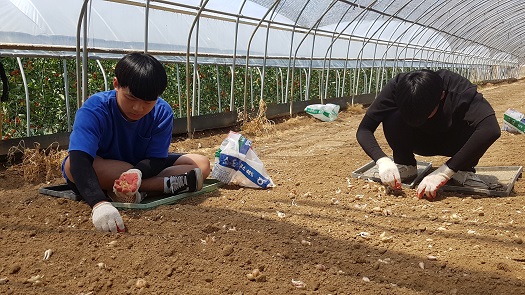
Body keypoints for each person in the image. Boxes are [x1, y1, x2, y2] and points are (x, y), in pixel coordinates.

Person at [62, 52, 211, 233]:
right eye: (131, 98)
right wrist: (98, 203)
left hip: (141, 166)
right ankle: (161, 186)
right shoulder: (94, 109)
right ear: (116, 84)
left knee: (202, 164)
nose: (138, 108)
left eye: (148, 102)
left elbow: (156, 159)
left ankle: (132, 190)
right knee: (71, 166)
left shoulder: (162, 112)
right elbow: (79, 158)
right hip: (106, 167)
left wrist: (137, 172)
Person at [356, 69, 501, 200]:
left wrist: (444, 173)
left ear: (442, 96)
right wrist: (382, 161)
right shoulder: (398, 87)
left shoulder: (458, 90)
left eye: (425, 115)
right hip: (418, 142)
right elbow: (364, 130)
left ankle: (462, 170)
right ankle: (406, 164)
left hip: (453, 142)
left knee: (473, 122)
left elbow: (491, 129)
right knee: (391, 115)